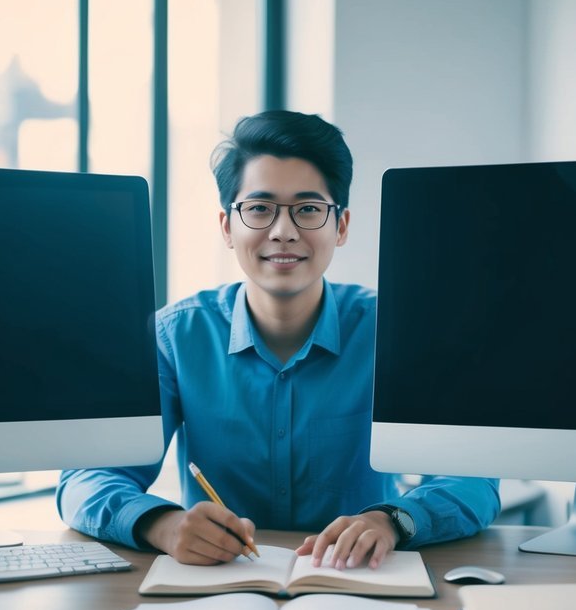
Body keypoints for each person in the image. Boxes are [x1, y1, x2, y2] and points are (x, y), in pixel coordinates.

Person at [58, 110, 499, 570]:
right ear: (228, 227)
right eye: (259, 208)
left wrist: (393, 521)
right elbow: (86, 479)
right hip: (220, 584)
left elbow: (473, 479)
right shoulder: (176, 335)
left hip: (358, 581)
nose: (283, 231)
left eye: (308, 209)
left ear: (341, 226)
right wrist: (162, 524)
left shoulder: (397, 332)